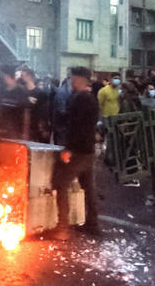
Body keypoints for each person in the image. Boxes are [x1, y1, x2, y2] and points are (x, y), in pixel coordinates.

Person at [51, 66, 101, 240]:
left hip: (78, 151)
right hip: (88, 150)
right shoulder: (91, 98)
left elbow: (76, 127)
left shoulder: (81, 99)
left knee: (60, 183)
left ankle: (62, 227)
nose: (71, 81)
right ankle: (93, 224)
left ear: (80, 80)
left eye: (72, 78)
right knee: (89, 187)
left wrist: (68, 149)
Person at [20, 68, 52, 143]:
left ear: (29, 76)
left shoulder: (40, 93)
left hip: (34, 127)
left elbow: (43, 113)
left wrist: (43, 128)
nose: (21, 78)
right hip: (23, 126)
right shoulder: (21, 92)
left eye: (23, 75)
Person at [0, 64, 29, 139]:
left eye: (4, 76)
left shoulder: (21, 91)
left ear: (8, 76)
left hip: (16, 131)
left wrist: (25, 133)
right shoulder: (1, 91)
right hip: (2, 130)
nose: (3, 78)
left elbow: (26, 113)